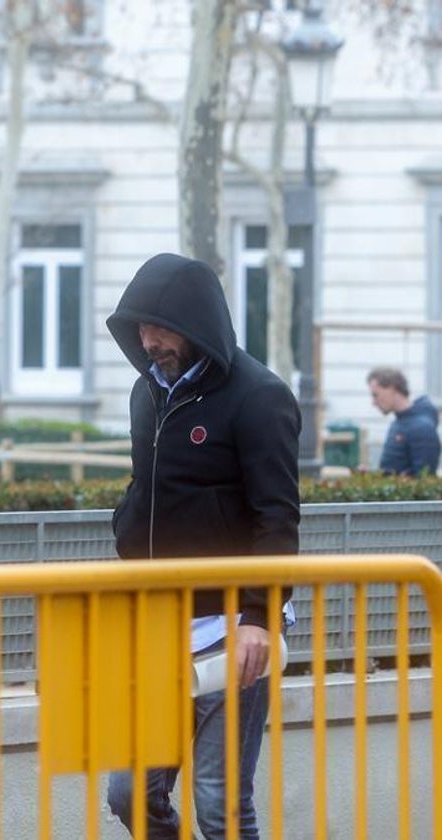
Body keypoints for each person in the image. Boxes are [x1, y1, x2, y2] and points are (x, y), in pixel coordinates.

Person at [104, 253, 300, 839]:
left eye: (159, 327)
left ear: (194, 324)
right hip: (162, 623)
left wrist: (260, 618)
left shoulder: (260, 396)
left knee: (220, 806)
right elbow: (149, 488)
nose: (148, 340)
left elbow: (277, 517)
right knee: (129, 793)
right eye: (139, 328)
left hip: (236, 631)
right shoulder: (147, 393)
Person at [367, 366, 440, 476]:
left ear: (392, 389)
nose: (374, 402)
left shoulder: (422, 428)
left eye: (376, 395)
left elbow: (425, 479)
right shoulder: (397, 424)